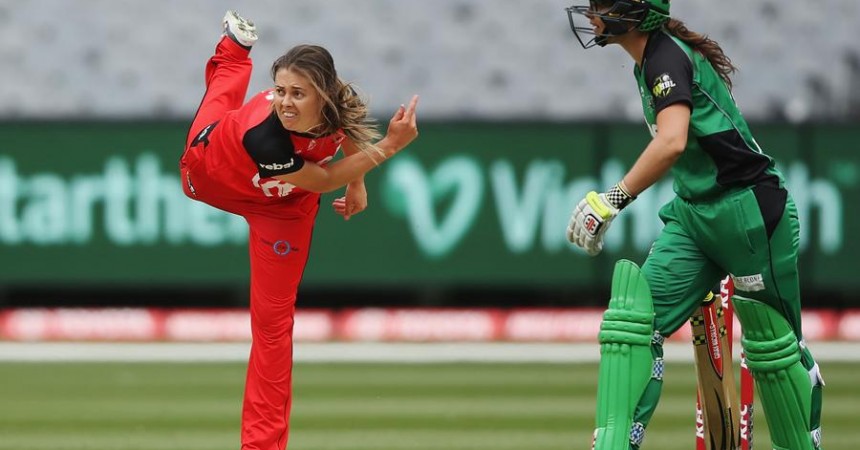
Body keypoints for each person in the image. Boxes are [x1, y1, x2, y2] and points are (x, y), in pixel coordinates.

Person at [563, 1, 824, 449]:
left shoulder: (666, 57)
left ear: (633, 10)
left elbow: (672, 141)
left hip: (749, 212)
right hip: (694, 215)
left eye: (602, 4)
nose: (591, 13)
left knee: (773, 349)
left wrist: (612, 200)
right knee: (633, 320)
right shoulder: (650, 61)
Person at [180, 11, 419, 450]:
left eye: (297, 93)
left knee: (273, 329)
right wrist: (388, 146)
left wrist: (358, 182)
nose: (286, 103)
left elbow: (346, 128)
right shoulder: (265, 137)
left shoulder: (338, 104)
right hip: (210, 172)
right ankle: (235, 51)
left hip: (285, 207)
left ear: (324, 95)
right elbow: (323, 180)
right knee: (222, 94)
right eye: (281, 91)